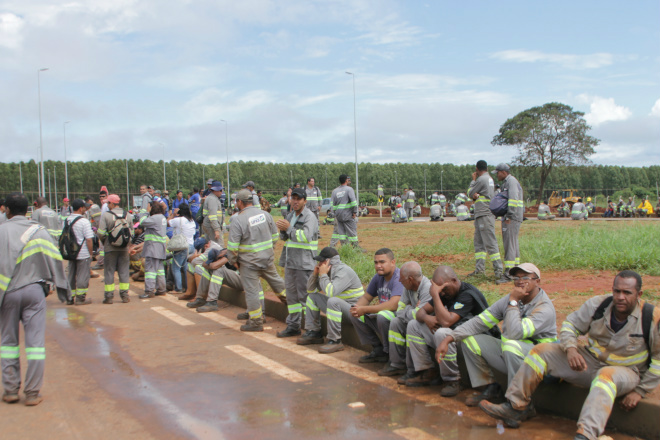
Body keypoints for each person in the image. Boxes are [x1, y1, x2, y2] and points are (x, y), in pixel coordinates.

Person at [479, 271, 660, 440]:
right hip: (591, 362)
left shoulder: (651, 318)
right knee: (541, 352)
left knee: (606, 377)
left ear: (639, 294)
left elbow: (659, 361)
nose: (620, 297)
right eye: (617, 291)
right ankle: (516, 407)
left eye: (627, 293)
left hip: (626, 373)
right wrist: (571, 349)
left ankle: (586, 434)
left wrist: (640, 391)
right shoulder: (599, 305)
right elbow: (570, 325)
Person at [436, 263, 557, 407]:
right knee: (470, 340)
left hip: (539, 360)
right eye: (516, 277)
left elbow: (514, 333)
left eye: (526, 277)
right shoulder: (510, 299)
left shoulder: (543, 307)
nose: (520, 281)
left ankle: (516, 405)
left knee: (511, 345)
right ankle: (490, 388)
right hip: (513, 355)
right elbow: (480, 321)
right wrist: (449, 338)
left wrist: (513, 302)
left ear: (537, 281)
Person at [0, 192, 69, 406]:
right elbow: (54, 259)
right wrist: (60, 287)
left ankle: (11, 390)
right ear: (29, 210)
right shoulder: (39, 232)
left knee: (8, 343)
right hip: (34, 292)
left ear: (7, 210)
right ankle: (32, 393)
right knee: (35, 344)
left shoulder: (1, 231)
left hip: (7, 293)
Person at [406, 266, 493, 396]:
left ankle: (453, 380)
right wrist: (426, 318)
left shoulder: (467, 295)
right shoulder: (446, 292)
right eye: (439, 290)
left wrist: (435, 294)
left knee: (443, 332)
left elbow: (447, 322)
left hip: (477, 340)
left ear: (453, 280)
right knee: (414, 325)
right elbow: (420, 312)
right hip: (456, 336)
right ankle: (428, 372)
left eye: (443, 289)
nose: (442, 293)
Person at [227, 189, 285, 332]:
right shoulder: (265, 215)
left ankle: (256, 322)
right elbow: (274, 236)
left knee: (252, 291)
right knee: (278, 284)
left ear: (239, 202)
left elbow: (233, 247)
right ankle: (296, 308)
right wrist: (269, 250)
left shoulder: (238, 219)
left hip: (248, 263)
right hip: (267, 259)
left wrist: (233, 261)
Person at [299, 247, 364, 353]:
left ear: (329, 261)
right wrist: (315, 275)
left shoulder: (343, 271)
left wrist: (323, 275)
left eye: (321, 261)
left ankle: (335, 341)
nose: (319, 263)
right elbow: (311, 290)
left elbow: (331, 292)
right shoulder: (328, 271)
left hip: (354, 312)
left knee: (332, 301)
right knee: (312, 297)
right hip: (340, 309)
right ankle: (314, 332)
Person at [276, 187, 319, 338]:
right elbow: (286, 238)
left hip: (304, 263)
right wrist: (282, 230)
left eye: (298, 199)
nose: (295, 201)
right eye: (293, 198)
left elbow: (305, 237)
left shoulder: (309, 217)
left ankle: (312, 329)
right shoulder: (290, 215)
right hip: (291, 263)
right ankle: (293, 326)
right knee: (292, 298)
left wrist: (288, 229)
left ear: (304, 201)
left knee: (306, 298)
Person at [378, 262, 432, 380]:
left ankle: (415, 370)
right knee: (396, 322)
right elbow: (399, 310)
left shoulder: (427, 289)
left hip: (427, 325)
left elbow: (418, 316)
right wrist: (412, 309)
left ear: (410, 279)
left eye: (402, 280)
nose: (400, 282)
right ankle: (397, 364)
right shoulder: (408, 288)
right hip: (414, 320)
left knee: (412, 325)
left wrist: (411, 310)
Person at [349, 248, 404, 363]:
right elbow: (366, 297)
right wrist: (357, 309)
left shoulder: (399, 278)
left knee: (382, 315)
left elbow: (394, 304)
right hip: (382, 318)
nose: (378, 265)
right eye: (376, 262)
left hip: (398, 320)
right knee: (356, 314)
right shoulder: (378, 277)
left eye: (382, 262)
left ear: (393, 262)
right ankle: (378, 349)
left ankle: (390, 355)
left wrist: (365, 309)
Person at [467, 160, 503, 279]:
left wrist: (473, 180)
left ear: (477, 169)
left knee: (490, 243)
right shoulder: (489, 179)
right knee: (479, 244)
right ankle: (479, 270)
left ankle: (498, 271)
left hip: (484, 214)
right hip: (482, 215)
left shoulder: (481, 179)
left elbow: (470, 192)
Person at [97, 194, 133, 304]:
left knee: (109, 271)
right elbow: (131, 232)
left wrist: (106, 242)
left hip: (110, 248)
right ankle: (125, 295)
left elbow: (101, 233)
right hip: (124, 248)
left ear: (112, 203)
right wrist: (126, 244)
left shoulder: (106, 215)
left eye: (108, 203)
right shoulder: (128, 215)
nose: (107, 205)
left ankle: (109, 297)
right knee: (124, 271)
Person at [492, 163, 523, 284]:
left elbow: (513, 199)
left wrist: (509, 215)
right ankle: (516, 270)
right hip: (512, 216)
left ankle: (509, 273)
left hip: (512, 217)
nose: (497, 175)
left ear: (504, 172)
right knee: (513, 243)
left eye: (498, 172)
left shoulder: (511, 182)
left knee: (509, 243)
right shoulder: (507, 182)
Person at [65, 199, 95, 305]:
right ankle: (80, 298)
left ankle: (69, 297)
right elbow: (89, 239)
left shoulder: (67, 220)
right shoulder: (84, 221)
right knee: (82, 275)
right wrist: (91, 253)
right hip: (82, 253)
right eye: (84, 207)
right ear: (81, 208)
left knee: (71, 275)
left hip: (70, 253)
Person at [136, 201, 168, 299]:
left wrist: (145, 211)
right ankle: (161, 289)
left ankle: (149, 291)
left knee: (150, 270)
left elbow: (141, 221)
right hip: (160, 248)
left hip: (153, 248)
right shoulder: (162, 217)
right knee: (160, 270)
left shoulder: (154, 218)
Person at [168, 204, 196, 293]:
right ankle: (187, 288)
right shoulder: (192, 221)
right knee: (185, 267)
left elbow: (167, 222)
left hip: (181, 246)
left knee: (176, 267)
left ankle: (178, 288)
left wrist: (173, 214)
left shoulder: (178, 220)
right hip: (190, 246)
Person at [329, 174, 361, 249]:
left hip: (339, 216)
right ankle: (356, 248)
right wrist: (354, 212)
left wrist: (334, 214)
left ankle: (345, 247)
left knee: (342, 233)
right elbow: (354, 202)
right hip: (348, 215)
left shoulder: (334, 191)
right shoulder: (349, 189)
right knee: (352, 232)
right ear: (346, 180)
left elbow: (332, 204)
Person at [202, 180, 224, 246]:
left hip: (210, 226)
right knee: (219, 246)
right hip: (211, 227)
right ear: (214, 190)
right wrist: (216, 230)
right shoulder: (212, 199)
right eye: (220, 190)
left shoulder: (212, 198)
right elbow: (212, 217)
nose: (221, 192)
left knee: (210, 245)